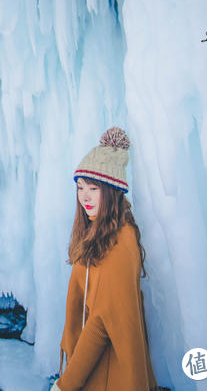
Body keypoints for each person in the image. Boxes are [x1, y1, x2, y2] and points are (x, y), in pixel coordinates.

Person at [50, 127, 158, 391]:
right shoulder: (95, 232)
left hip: (109, 373)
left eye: (94, 188)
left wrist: (66, 385)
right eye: (80, 188)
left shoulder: (121, 242)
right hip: (93, 367)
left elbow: (102, 323)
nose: (84, 196)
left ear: (111, 191)